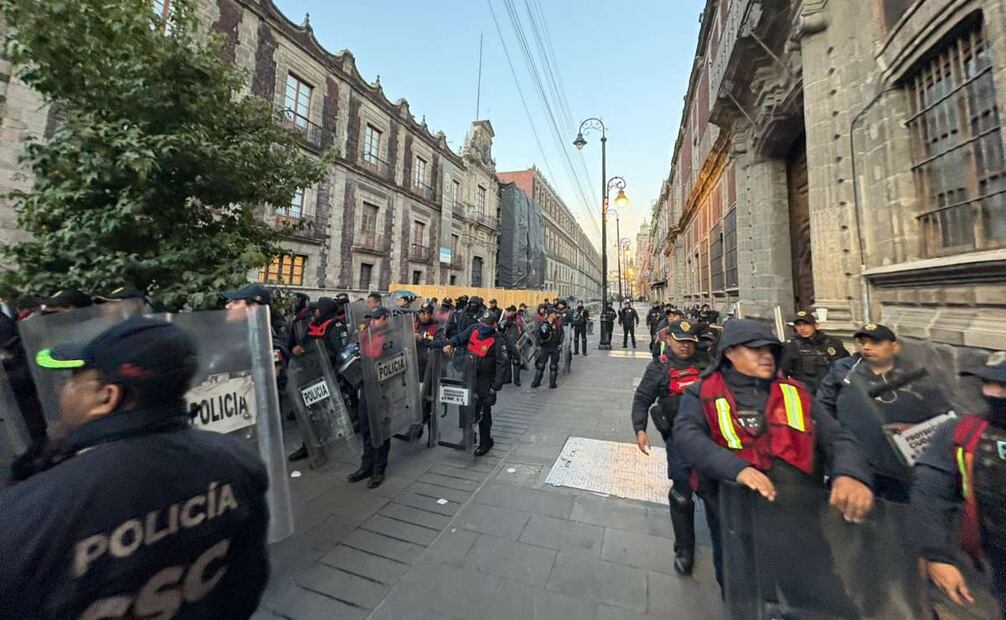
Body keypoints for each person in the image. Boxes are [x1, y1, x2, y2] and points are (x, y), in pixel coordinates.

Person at [0, 317, 269, 618]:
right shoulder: (239, 462)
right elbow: (246, 584)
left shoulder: (26, 517)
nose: (64, 389)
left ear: (107, 397)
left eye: (74, 378)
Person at [674, 319, 874, 594]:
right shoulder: (702, 392)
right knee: (744, 591)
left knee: (819, 593)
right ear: (730, 352)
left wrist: (850, 473)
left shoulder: (795, 392)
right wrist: (737, 469)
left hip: (797, 516)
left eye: (770, 350)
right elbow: (687, 435)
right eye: (755, 349)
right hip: (734, 516)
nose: (766, 356)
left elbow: (838, 438)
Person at [912, 351, 1006, 615]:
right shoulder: (962, 432)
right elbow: (930, 492)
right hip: (993, 559)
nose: (994, 393)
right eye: (988, 383)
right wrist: (936, 554)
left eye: (1003, 385)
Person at [817, 323, 953, 502]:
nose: (867, 347)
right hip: (856, 464)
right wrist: (836, 441)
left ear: (895, 346)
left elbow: (943, 418)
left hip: (899, 469)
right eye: (863, 342)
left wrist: (915, 430)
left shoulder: (916, 375)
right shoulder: (844, 370)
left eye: (875, 342)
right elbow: (823, 406)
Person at [631, 320, 705, 575]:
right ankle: (685, 548)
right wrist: (640, 429)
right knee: (682, 493)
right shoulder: (659, 368)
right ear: (670, 340)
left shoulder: (705, 363)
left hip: (708, 439)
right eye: (680, 341)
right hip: (678, 439)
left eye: (689, 341)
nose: (685, 346)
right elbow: (642, 398)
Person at [287, 297, 348, 462]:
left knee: (321, 414)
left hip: (325, 375)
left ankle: (320, 445)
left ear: (324, 310)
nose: (315, 312)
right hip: (308, 374)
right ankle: (308, 444)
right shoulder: (314, 325)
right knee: (308, 413)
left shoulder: (335, 327)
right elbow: (304, 343)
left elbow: (340, 353)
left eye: (318, 309)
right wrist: (299, 349)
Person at [442, 311, 506, 456]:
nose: (483, 326)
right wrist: (449, 343)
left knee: (484, 414)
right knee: (465, 409)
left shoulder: (498, 341)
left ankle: (485, 442)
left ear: (494, 325)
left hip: (485, 382)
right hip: (468, 376)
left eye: (487, 324)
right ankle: (468, 437)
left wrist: (495, 387)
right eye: (482, 322)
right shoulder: (473, 330)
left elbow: (502, 365)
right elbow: (459, 338)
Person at [349, 307, 393, 488]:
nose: (372, 322)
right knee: (366, 427)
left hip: (384, 390)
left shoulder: (392, 337)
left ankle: (378, 469)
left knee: (381, 431)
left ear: (386, 318)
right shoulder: (368, 335)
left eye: (376, 319)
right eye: (372, 319)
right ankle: (366, 465)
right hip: (367, 386)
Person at [779, 310, 849, 393]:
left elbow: (846, 366)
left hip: (831, 391)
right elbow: (782, 372)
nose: (802, 328)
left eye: (806, 324)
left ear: (815, 325)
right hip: (805, 393)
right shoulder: (791, 346)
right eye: (798, 325)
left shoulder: (832, 343)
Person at [415, 303, 441, 431]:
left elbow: (438, 341)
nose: (423, 315)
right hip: (416, 367)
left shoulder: (437, 327)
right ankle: (416, 427)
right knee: (416, 400)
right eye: (421, 312)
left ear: (431, 314)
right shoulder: (415, 325)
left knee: (429, 402)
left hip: (429, 369)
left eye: (426, 313)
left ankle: (432, 432)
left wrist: (422, 338)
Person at [531, 306, 562, 389]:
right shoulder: (543, 323)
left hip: (555, 346)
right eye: (555, 313)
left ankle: (552, 383)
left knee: (553, 366)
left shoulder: (557, 323)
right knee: (541, 365)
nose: (556, 315)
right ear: (550, 314)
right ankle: (536, 382)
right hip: (545, 346)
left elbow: (561, 333)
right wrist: (538, 344)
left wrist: (560, 343)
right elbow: (538, 334)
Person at [498, 305, 525, 386]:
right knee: (507, 361)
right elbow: (500, 328)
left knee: (516, 362)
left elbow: (522, 328)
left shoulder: (518, 319)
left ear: (513, 312)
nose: (508, 313)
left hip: (516, 342)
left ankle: (517, 380)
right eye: (508, 311)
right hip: (507, 341)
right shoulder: (506, 319)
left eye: (510, 311)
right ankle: (508, 378)